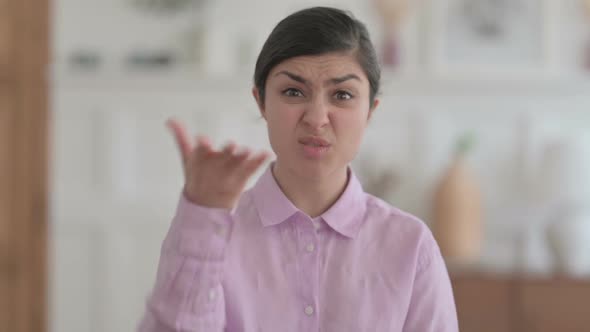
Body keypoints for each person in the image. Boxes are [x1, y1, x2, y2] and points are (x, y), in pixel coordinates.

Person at [138, 6, 458, 332]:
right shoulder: (210, 233)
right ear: (261, 102)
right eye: (293, 92)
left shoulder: (411, 245)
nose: (317, 118)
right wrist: (202, 218)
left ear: (370, 111)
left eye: (342, 95)